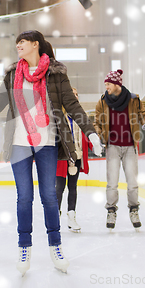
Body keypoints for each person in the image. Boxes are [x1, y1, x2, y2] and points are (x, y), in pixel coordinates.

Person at [0, 30, 102, 276]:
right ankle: (24, 246)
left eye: (22, 42)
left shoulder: (56, 74)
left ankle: (56, 245)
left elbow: (72, 105)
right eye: (17, 42)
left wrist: (91, 132)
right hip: (19, 143)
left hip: (48, 143)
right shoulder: (12, 75)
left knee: (50, 197)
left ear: (35, 45)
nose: (18, 45)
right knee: (24, 197)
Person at [93, 69, 145, 230]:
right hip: (112, 146)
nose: (106, 87)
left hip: (130, 147)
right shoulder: (103, 101)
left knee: (132, 183)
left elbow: (143, 114)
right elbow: (96, 122)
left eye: (108, 84)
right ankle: (111, 210)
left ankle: (134, 210)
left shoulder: (134, 99)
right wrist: (98, 135)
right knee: (112, 182)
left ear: (117, 84)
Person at [55, 88, 93, 232]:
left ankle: (72, 217)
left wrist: (93, 144)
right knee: (59, 187)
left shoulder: (81, 117)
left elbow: (87, 134)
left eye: (77, 94)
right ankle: (55, 218)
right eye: (73, 94)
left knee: (73, 187)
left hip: (76, 156)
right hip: (61, 157)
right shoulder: (58, 116)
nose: (75, 97)